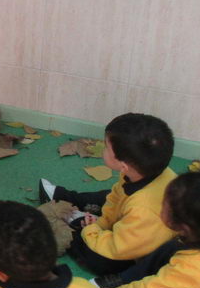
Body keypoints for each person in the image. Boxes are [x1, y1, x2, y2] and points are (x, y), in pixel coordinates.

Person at [49, 113, 177, 276]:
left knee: (101, 261)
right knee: (108, 195)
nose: (103, 150)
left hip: (139, 253)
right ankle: (67, 197)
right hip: (134, 227)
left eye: (106, 148)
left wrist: (91, 230)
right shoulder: (148, 171)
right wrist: (103, 223)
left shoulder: (143, 210)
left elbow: (118, 248)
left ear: (123, 166)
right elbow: (116, 196)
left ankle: (72, 230)